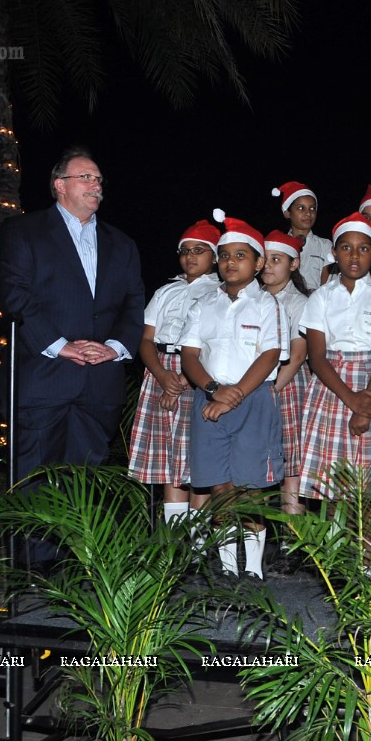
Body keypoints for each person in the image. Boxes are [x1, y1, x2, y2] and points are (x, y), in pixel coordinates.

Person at [0, 147, 144, 565]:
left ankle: (79, 566)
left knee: (85, 480)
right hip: (44, 378)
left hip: (98, 383)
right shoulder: (23, 231)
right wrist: (61, 344)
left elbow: (135, 305)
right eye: (86, 178)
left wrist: (114, 347)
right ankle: (34, 575)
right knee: (36, 477)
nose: (96, 185)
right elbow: (14, 296)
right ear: (60, 185)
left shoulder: (122, 243)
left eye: (99, 180)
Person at [180, 211, 288, 580]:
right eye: (225, 255)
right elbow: (190, 355)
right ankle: (228, 568)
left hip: (253, 401)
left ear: (258, 263)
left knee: (250, 487)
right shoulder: (203, 305)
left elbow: (271, 354)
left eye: (241, 255)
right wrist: (213, 390)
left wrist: (235, 394)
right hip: (208, 401)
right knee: (220, 485)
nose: (230, 262)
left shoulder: (268, 305)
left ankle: (254, 569)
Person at [297, 213, 371, 499]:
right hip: (334, 387)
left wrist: (366, 402)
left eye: (364, 248)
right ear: (334, 253)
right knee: (334, 483)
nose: (354, 255)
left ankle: (369, 545)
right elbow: (317, 357)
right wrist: (352, 400)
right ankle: (336, 544)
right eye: (346, 248)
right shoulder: (321, 297)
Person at [129, 219, 221, 521]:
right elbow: (146, 339)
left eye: (199, 250)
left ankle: (198, 541)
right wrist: (161, 375)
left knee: (196, 458)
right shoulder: (166, 291)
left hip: (197, 374)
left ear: (215, 257)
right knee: (170, 460)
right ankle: (174, 542)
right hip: (161, 370)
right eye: (184, 251)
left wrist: (182, 380)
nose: (190, 257)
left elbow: (214, 345)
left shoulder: (220, 293)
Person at [258, 229, 311, 573]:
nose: (269, 267)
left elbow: (297, 353)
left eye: (277, 260)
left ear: (294, 264)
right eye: (266, 260)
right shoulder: (254, 297)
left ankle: (294, 545)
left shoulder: (300, 303)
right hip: (253, 387)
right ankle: (255, 541)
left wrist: (273, 387)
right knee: (259, 467)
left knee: (290, 468)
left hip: (284, 387)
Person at [272, 180, 330, 292]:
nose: (308, 213)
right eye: (300, 208)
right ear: (287, 213)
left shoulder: (325, 246)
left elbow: (326, 286)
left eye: (312, 208)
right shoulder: (278, 246)